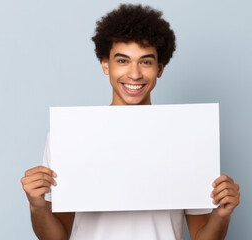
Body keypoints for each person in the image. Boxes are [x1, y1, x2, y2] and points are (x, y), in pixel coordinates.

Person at [21, 4, 240, 240]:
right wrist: (37, 206)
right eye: (123, 61)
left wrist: (222, 215)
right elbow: (57, 237)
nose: (134, 74)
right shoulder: (70, 135)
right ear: (106, 64)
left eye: (145, 62)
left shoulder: (186, 134)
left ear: (160, 68)